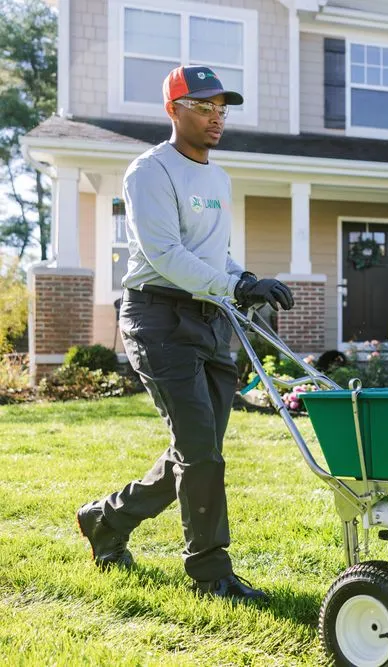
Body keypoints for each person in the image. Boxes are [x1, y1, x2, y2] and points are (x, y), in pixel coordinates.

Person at [75, 65, 294, 602]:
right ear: (173, 110)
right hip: (158, 318)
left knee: (196, 449)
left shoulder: (217, 178)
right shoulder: (148, 171)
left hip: (208, 317)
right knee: (201, 452)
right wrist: (234, 287)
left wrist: (243, 279)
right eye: (203, 106)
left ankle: (106, 519)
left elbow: (212, 253)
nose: (216, 117)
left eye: (222, 108)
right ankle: (210, 573)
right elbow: (164, 255)